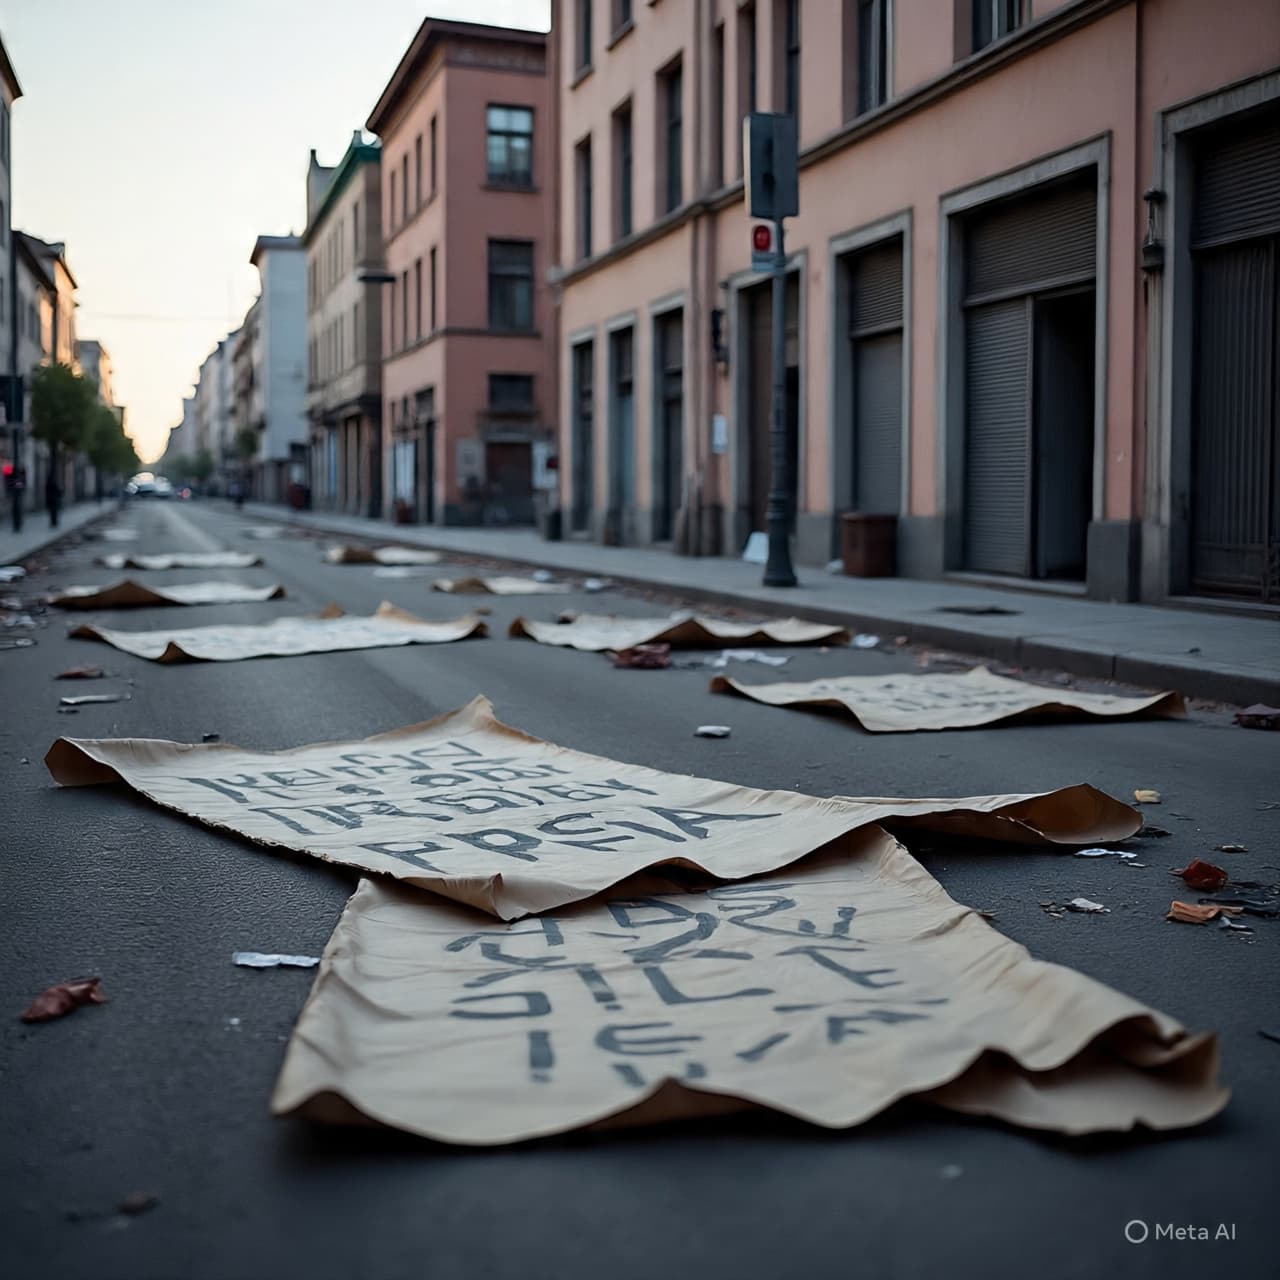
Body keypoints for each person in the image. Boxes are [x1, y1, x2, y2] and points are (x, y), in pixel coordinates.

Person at [5, 463, 25, 533]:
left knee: (18, 507)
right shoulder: (8, 469)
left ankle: (18, 523)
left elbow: (20, 486)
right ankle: (17, 522)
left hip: (16, 495)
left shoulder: (19, 476)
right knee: (16, 508)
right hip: (14, 495)